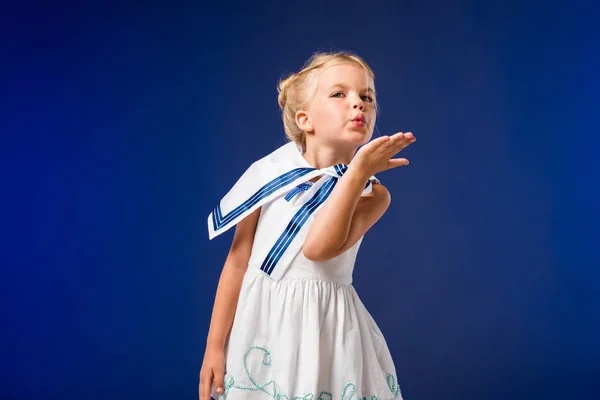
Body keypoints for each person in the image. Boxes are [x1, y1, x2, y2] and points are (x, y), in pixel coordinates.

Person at [199, 51, 416, 400]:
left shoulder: (373, 195)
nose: (357, 104)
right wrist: (215, 345)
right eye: (339, 94)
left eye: (366, 97)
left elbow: (318, 249)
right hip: (262, 328)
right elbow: (238, 261)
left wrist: (357, 172)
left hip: (325, 333)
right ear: (305, 120)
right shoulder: (269, 174)